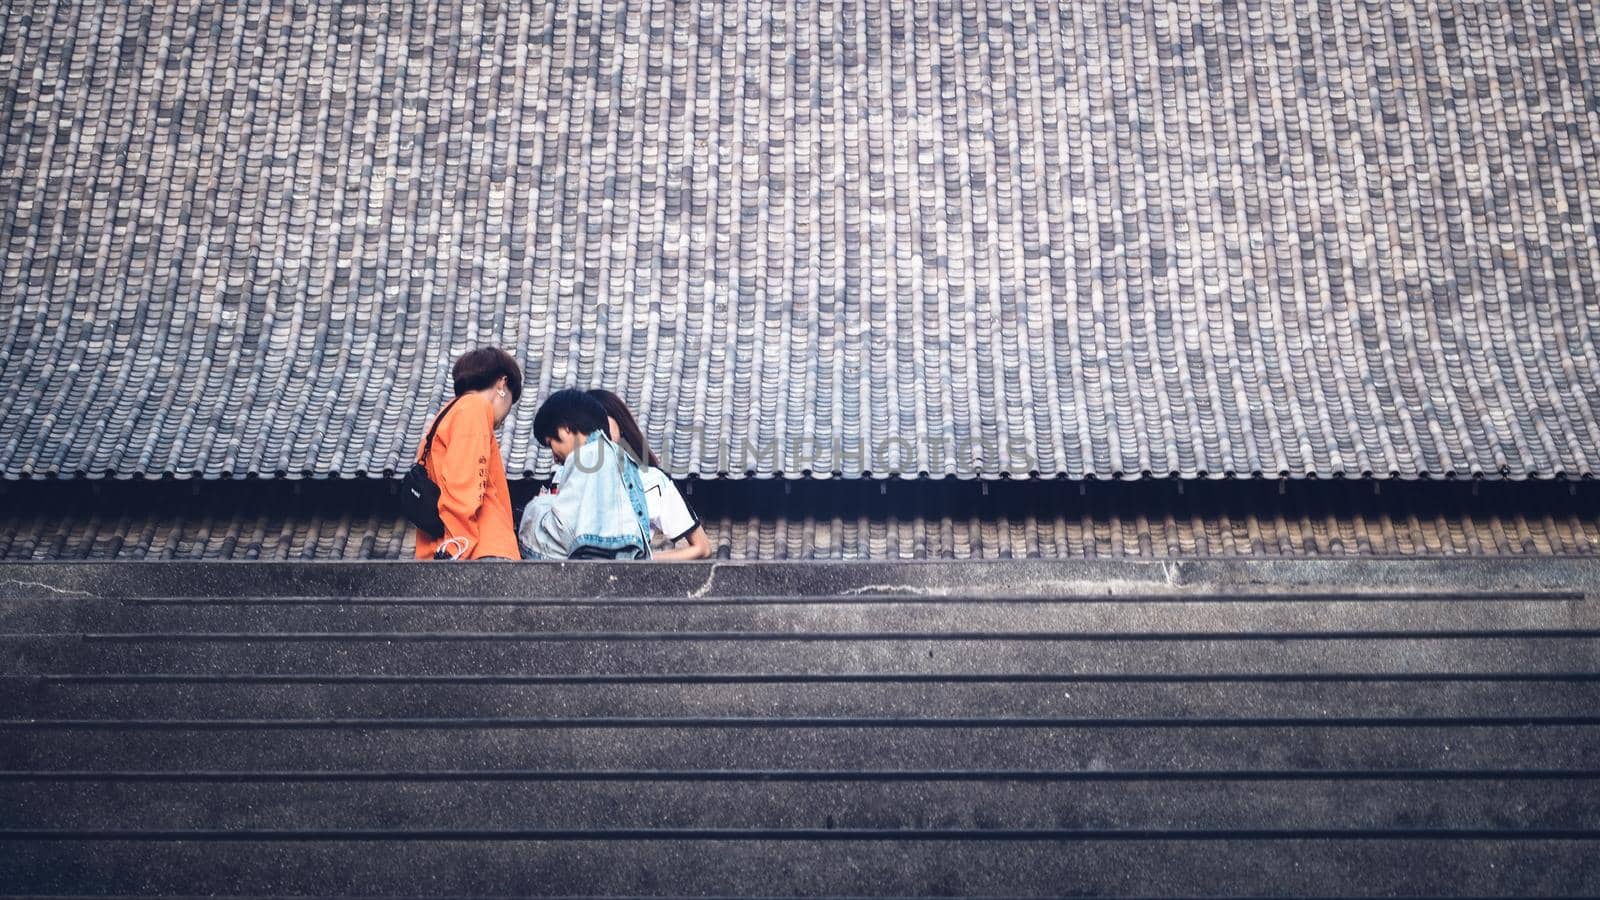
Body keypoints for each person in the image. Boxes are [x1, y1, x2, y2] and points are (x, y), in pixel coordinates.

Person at [413, 347, 523, 561]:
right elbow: (464, 485)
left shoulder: (446, 415)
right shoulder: (474, 409)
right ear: (502, 383)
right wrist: (458, 547)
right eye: (511, 399)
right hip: (482, 549)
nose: (505, 416)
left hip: (449, 546)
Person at [518, 389, 653, 560]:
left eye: (549, 443)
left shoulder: (587, 456)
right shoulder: (618, 456)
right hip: (625, 565)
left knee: (536, 508)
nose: (554, 456)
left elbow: (563, 531)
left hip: (592, 568)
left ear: (564, 428)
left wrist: (537, 508)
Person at [589, 388, 712, 560]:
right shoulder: (566, 478)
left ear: (618, 422)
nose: (597, 431)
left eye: (601, 420)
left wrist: (644, 561)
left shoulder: (652, 480)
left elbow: (701, 547)